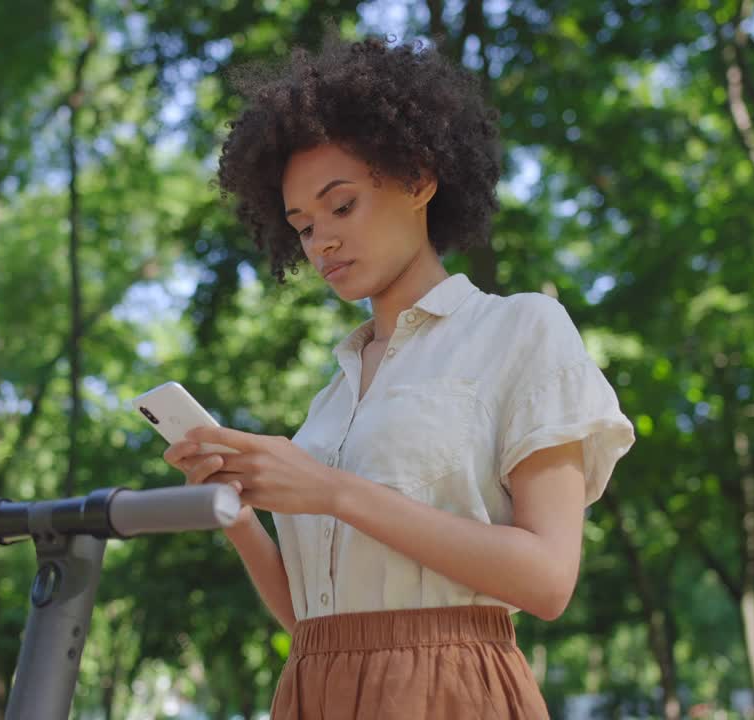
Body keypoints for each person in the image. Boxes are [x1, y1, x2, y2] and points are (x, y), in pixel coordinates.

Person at [163, 29, 635, 719]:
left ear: (419, 180)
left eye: (342, 204)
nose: (320, 240)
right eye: (300, 224)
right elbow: (312, 625)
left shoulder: (520, 330)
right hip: (314, 692)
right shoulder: (332, 398)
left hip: (451, 693)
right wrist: (235, 509)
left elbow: (548, 579)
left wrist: (331, 491)